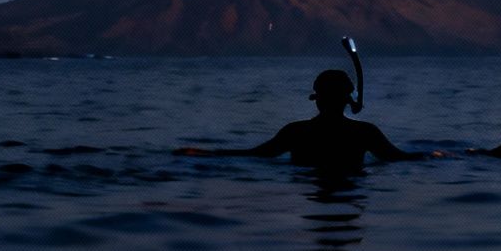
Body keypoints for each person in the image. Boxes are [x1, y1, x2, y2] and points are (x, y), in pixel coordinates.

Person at [176, 70, 435, 172]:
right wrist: (442, 156)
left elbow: (255, 155)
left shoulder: (297, 131)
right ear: (347, 100)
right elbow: (399, 159)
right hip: (352, 188)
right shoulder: (364, 132)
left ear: (317, 100)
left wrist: (205, 154)